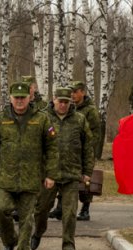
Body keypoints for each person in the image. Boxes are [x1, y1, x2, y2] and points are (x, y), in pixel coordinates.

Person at [0, 82, 59, 250]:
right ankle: (9, 241)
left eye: (23, 98)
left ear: (29, 98)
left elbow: (52, 148)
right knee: (1, 210)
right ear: (10, 98)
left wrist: (51, 174)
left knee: (27, 219)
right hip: (5, 178)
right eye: (16, 98)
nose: (19, 101)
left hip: (31, 178)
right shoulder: (0, 119)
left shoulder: (41, 119)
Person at [31, 87, 94, 250]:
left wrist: (87, 171)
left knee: (70, 213)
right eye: (61, 102)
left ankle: (68, 246)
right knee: (41, 209)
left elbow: (88, 147)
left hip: (71, 174)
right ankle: (38, 232)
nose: (63, 105)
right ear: (54, 100)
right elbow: (34, 145)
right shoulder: (43, 118)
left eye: (67, 102)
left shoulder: (79, 120)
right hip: (48, 175)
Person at [49, 81, 100, 221]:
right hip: (67, 150)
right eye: (71, 92)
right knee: (64, 180)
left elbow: (95, 132)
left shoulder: (90, 111)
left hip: (83, 148)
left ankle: (85, 209)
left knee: (85, 183)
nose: (73, 94)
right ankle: (60, 208)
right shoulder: (71, 108)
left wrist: (90, 150)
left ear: (82, 92)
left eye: (76, 91)